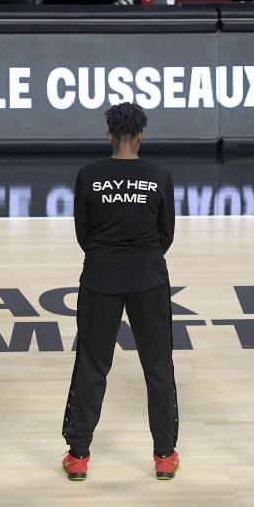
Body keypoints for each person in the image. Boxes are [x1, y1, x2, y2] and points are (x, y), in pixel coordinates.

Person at [61, 102, 179, 481]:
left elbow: (84, 234)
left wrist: (107, 256)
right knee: (158, 366)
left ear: (109, 134)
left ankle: (78, 455)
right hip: (149, 278)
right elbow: (166, 234)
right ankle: (164, 455)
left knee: (93, 365)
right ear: (142, 134)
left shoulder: (89, 175)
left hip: (100, 278)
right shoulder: (159, 175)